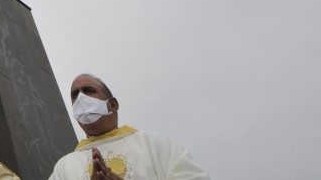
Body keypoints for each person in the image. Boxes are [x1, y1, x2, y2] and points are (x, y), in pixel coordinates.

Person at [48, 74, 209, 179]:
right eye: (75, 95)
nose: (81, 98)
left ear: (113, 104)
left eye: (88, 91)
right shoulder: (64, 167)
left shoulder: (154, 145)